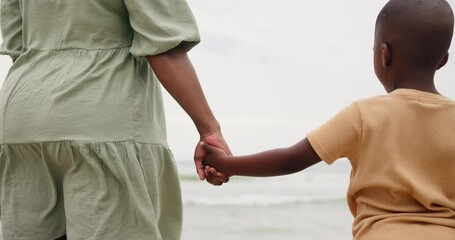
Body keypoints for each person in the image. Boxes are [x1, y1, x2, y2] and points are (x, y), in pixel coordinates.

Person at [202, 0, 455, 239]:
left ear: (383, 54)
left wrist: (224, 162)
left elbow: (291, 160)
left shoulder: (364, 114)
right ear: (443, 60)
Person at [0, 0, 229, 239]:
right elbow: (165, 46)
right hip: (105, 114)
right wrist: (209, 129)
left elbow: (17, 46)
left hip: (24, 116)